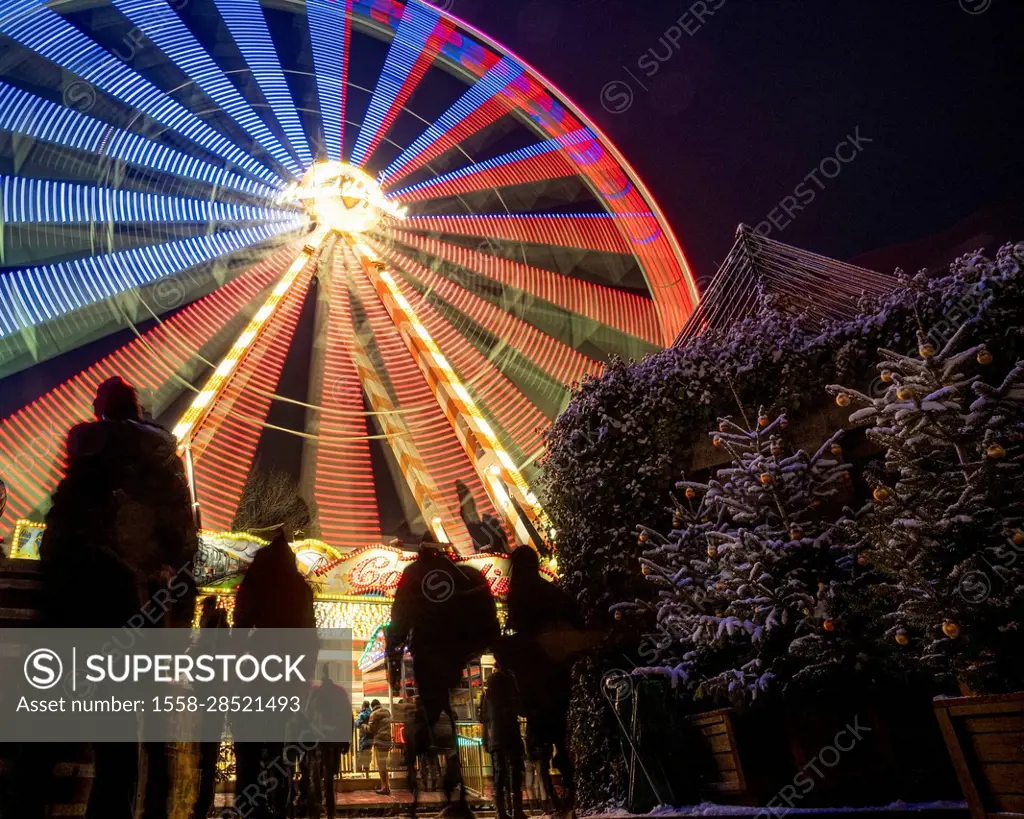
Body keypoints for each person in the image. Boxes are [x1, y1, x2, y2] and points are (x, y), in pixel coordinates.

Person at [36, 376, 198, 819]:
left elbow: (67, 517)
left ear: (102, 409)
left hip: (84, 591)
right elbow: (184, 535)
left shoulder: (91, 444)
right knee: (127, 731)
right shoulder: (167, 456)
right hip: (140, 602)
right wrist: (175, 591)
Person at [386, 535, 500, 817]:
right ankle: (455, 787)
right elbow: (483, 612)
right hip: (455, 657)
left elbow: (400, 616)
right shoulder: (462, 573)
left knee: (430, 713)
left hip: (427, 655)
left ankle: (419, 785)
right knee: (450, 716)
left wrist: (394, 654)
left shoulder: (413, 574)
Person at [232, 529, 318, 819]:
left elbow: (242, 620)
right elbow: (309, 636)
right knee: (279, 744)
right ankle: (280, 802)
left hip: (259, 666)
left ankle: (249, 803)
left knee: (250, 742)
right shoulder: (299, 587)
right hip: (288, 670)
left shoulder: (257, 578)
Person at [504, 546, 585, 813]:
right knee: (560, 733)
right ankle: (569, 793)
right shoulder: (551, 591)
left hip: (533, 675)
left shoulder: (519, 594)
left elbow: (516, 627)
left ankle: (553, 796)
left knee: (539, 737)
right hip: (557, 670)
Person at [193, 597, 229, 819]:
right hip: (215, 701)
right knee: (208, 755)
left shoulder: (209, 643)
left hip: (208, 702)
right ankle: (204, 803)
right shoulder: (224, 642)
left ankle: (202, 803)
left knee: (205, 756)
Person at [480, 665, 527, 819]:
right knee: (514, 772)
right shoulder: (509, 690)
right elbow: (521, 710)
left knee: (499, 773)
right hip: (510, 734)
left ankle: (500, 811)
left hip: (495, 738)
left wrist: (485, 740)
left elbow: (483, 719)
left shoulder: (487, 696)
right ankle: (517, 810)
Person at [308, 667, 353, 819]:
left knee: (315, 775)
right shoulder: (340, 693)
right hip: (334, 740)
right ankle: (330, 811)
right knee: (329, 777)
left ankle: (317, 808)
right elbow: (348, 716)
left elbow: (307, 715)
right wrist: (347, 740)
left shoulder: (316, 692)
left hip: (318, 740)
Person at [361, 700, 392, 796]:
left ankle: (384, 787)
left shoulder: (374, 714)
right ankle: (387, 786)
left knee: (381, 765)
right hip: (387, 740)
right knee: (384, 764)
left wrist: (363, 726)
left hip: (379, 740)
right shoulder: (387, 712)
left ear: (372, 706)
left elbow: (371, 729)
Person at [355, 701, 374, 776]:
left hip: (364, 736)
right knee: (368, 752)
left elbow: (357, 724)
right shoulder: (372, 713)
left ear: (363, 706)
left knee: (361, 752)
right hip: (371, 736)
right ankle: (367, 770)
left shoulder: (362, 714)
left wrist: (355, 723)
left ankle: (360, 770)